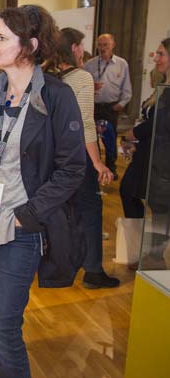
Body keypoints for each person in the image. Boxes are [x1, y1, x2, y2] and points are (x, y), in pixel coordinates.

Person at [0, 5, 86, 378]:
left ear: (29, 45)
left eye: (1, 38)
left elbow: (73, 169)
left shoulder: (57, 97)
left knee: (3, 326)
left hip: (21, 227)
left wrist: (28, 214)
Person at [53, 27, 119, 288]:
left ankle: (65, 263)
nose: (83, 49)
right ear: (74, 48)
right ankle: (92, 270)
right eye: (81, 45)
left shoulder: (52, 76)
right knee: (90, 209)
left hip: (58, 155)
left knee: (65, 210)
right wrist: (97, 162)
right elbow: (85, 124)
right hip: (78, 156)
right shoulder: (81, 77)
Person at [120, 38, 170, 268]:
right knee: (131, 192)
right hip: (147, 152)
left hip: (159, 157)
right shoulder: (162, 85)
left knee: (159, 206)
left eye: (160, 54)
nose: (156, 58)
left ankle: (153, 257)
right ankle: (139, 252)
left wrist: (133, 134)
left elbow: (157, 125)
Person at [84, 34, 132, 179]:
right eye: (100, 45)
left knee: (110, 139)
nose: (102, 48)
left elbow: (127, 88)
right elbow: (84, 86)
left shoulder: (122, 64)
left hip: (111, 108)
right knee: (92, 138)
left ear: (113, 45)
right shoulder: (90, 64)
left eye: (106, 45)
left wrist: (121, 104)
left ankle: (111, 167)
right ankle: (95, 167)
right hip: (94, 107)